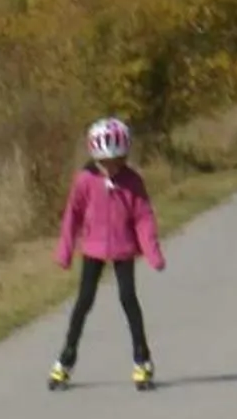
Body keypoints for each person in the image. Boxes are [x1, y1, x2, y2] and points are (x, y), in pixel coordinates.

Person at [50, 115, 166, 391]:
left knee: (128, 300)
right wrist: (65, 251)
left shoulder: (132, 181)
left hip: (123, 248)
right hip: (93, 247)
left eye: (118, 161)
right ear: (96, 158)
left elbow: (143, 216)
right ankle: (65, 360)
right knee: (83, 302)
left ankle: (142, 361)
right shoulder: (85, 181)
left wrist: (152, 251)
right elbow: (72, 216)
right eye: (107, 163)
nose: (112, 168)